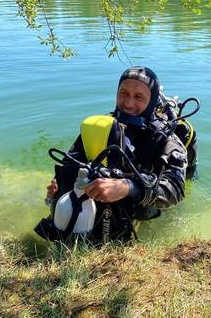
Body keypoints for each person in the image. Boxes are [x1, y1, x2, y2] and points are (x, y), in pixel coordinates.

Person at [42, 67, 195, 243]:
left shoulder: (166, 139)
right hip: (97, 204)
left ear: (151, 101)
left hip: (140, 206)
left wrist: (127, 187)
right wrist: (56, 189)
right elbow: (72, 161)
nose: (129, 104)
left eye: (139, 97)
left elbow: (175, 189)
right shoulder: (99, 127)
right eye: (124, 93)